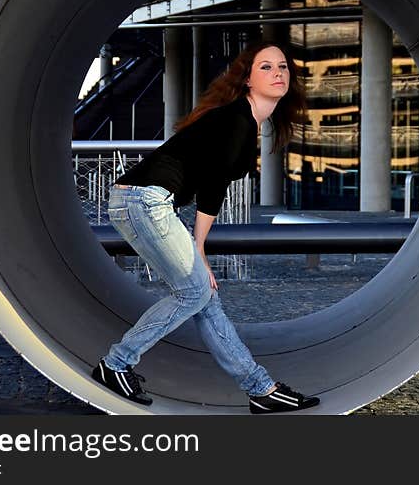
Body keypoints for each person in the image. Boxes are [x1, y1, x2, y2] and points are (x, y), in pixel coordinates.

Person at [91, 40, 320, 414]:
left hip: (145, 202)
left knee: (204, 299)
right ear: (247, 79)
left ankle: (261, 389)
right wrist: (199, 249)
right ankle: (116, 363)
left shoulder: (244, 120)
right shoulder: (237, 120)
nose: (278, 73)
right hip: (144, 200)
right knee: (195, 293)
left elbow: (213, 182)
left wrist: (199, 251)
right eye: (266, 67)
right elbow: (213, 186)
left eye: (282, 67)